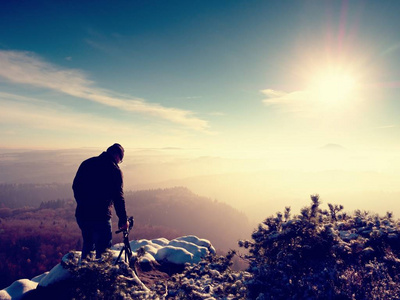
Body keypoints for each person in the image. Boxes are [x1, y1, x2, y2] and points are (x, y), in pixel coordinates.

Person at [72, 143, 129, 260]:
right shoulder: (114, 170)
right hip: (101, 216)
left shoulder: (87, 163)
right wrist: (123, 220)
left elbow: (75, 186)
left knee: (88, 244)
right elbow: (118, 197)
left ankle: (84, 272)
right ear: (118, 156)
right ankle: (100, 276)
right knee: (104, 252)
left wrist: (83, 203)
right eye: (120, 160)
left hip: (83, 214)